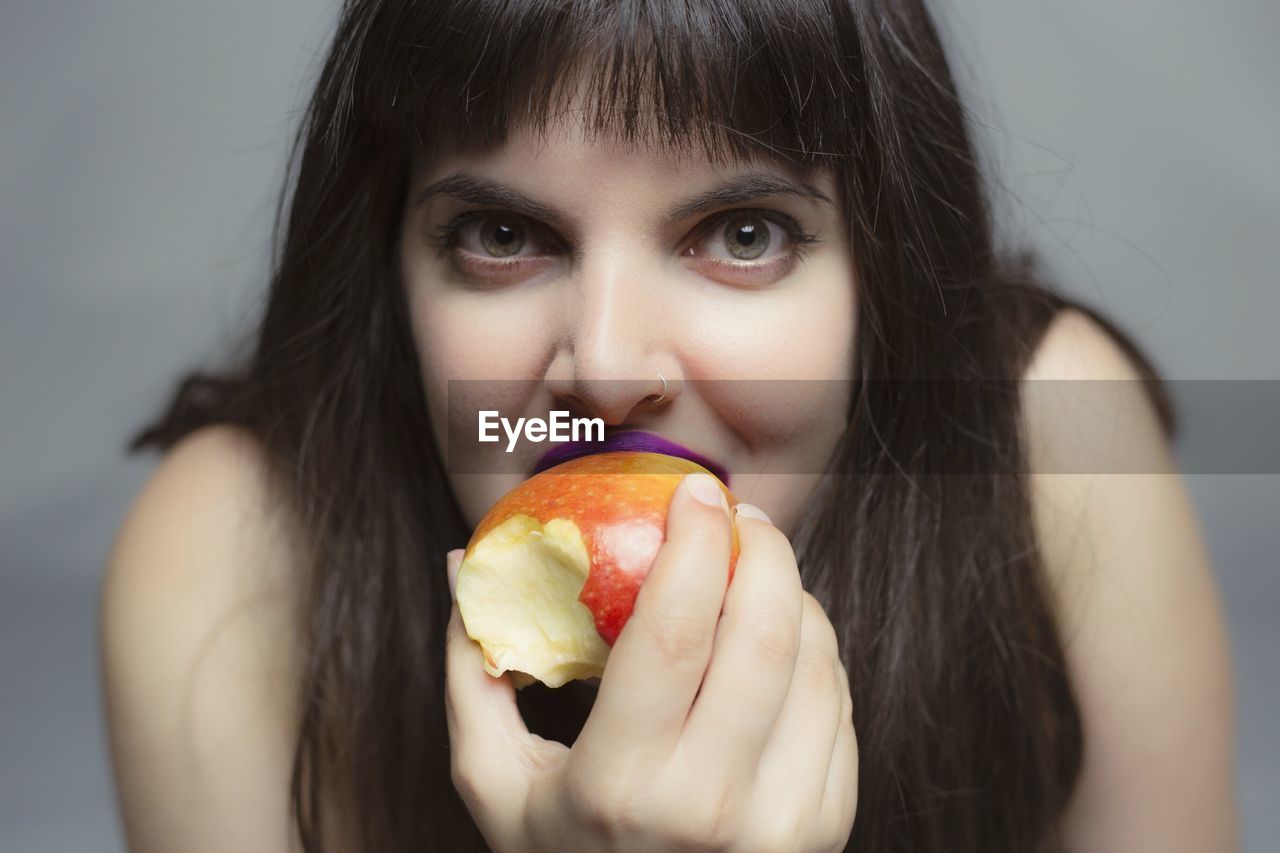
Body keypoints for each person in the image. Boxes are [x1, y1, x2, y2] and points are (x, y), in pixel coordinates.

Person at [98, 1, 1239, 851]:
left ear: (881, 276)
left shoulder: (1055, 442)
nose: (604, 368)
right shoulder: (226, 555)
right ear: (388, 270)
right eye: (501, 234)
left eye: (742, 234)